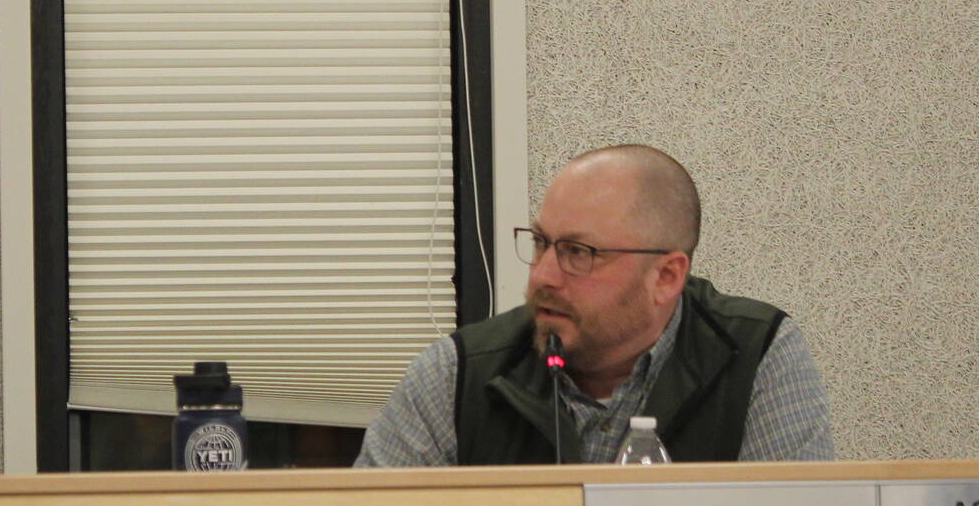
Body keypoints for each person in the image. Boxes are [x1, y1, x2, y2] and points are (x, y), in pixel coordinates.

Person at [357, 145, 833, 467]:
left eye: (578, 253)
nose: (543, 275)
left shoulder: (755, 356)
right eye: (542, 242)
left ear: (665, 276)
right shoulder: (458, 374)